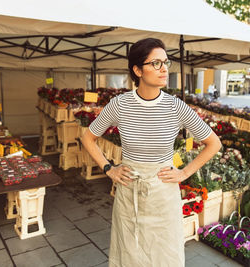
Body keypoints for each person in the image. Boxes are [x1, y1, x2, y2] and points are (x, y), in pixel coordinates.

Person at [81, 38, 221, 267]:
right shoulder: (120, 104)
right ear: (137, 70)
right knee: (129, 253)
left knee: (164, 255)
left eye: (165, 62)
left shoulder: (176, 106)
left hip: (163, 195)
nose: (164, 68)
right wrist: (109, 169)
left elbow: (213, 143)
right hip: (129, 193)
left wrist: (184, 173)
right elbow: (88, 137)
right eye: (155, 63)